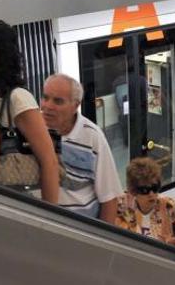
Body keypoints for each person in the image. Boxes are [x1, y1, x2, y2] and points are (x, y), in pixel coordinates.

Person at [0, 19, 61, 202]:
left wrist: (51, 219)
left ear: (0, 56)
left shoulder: (17, 98)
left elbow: (49, 161)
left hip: (16, 202)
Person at [41, 73, 122, 222]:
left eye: (58, 101)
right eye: (45, 98)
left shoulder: (93, 137)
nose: (48, 106)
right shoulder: (33, 130)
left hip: (79, 233)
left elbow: (109, 199)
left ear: (76, 105)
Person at [115, 157, 175, 243]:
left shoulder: (170, 207)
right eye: (145, 190)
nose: (151, 194)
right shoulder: (122, 206)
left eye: (154, 188)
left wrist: (171, 243)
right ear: (134, 191)